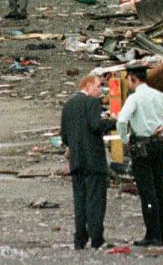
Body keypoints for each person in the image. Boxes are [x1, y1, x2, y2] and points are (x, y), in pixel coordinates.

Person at [117, 65, 163, 247]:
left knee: (148, 193)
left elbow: (122, 120)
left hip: (142, 147)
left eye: (128, 79)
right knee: (160, 190)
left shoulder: (134, 98)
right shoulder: (158, 95)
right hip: (159, 145)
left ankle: (152, 233)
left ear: (132, 79)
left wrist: (125, 138)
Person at [61, 75, 115, 250]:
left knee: (80, 200)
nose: (100, 91)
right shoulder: (91, 102)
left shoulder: (68, 105)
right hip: (93, 160)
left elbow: (64, 135)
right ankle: (97, 238)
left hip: (76, 161)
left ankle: (80, 238)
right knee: (96, 200)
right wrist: (114, 121)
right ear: (88, 85)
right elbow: (96, 125)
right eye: (98, 86)